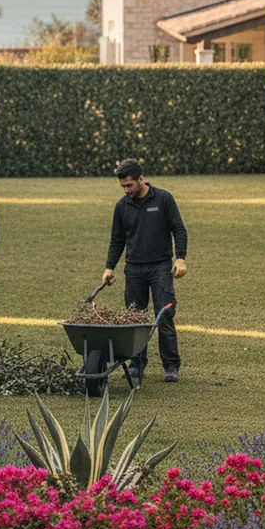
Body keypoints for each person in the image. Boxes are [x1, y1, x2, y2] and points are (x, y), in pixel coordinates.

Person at [101, 159, 187, 383]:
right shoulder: (122, 206)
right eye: (123, 187)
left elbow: (178, 229)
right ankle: (137, 363)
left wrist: (180, 258)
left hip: (160, 267)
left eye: (129, 185)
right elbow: (117, 239)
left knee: (164, 315)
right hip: (134, 269)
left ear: (141, 178)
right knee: (135, 318)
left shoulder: (163, 199)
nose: (127, 190)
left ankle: (171, 366)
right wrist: (109, 267)